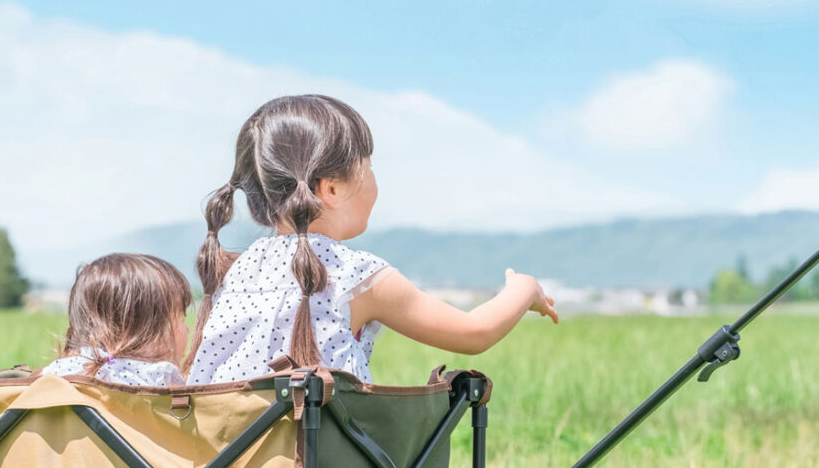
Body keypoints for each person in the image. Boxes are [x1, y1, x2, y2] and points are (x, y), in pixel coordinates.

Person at [186, 94, 557, 385]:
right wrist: (524, 289)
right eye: (368, 165)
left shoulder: (238, 270)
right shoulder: (354, 274)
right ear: (331, 188)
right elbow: (475, 332)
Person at [45, 253, 191, 386]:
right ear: (145, 330)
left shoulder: (54, 373)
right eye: (181, 319)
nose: (187, 330)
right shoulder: (159, 377)